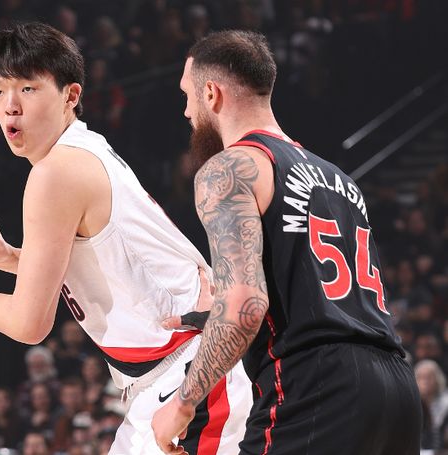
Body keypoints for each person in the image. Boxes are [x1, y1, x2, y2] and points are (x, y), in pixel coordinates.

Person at [0, 22, 251, 454]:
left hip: (191, 371)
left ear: (70, 95)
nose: (10, 106)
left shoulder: (55, 173)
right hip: (178, 372)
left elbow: (28, 324)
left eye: (27, 89)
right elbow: (108, 262)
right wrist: (9, 258)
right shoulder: (85, 149)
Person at [151, 30, 422, 454]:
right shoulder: (339, 179)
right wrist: (217, 314)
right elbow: (324, 295)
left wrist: (183, 403)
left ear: (211, 93)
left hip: (316, 385)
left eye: (187, 95)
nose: (186, 111)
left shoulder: (230, 169)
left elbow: (245, 306)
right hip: (396, 389)